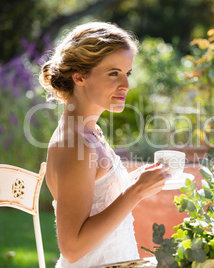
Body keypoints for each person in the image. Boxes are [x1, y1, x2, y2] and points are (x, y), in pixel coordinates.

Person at [39, 22, 171, 267]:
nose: (126, 85)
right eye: (114, 73)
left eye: (127, 73)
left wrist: (133, 183)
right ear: (79, 76)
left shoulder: (89, 131)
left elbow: (96, 199)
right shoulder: (75, 145)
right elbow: (72, 248)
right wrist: (136, 192)